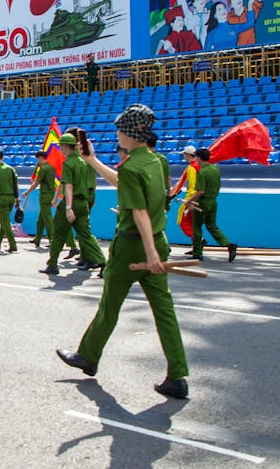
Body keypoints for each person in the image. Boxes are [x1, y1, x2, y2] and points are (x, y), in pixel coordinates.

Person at [55, 104, 189, 400]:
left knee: (110, 304)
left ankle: (88, 356)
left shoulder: (131, 166)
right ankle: (178, 375)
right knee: (164, 310)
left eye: (119, 129)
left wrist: (150, 254)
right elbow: (131, 187)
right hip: (158, 237)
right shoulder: (157, 161)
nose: (116, 134)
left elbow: (139, 210)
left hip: (132, 244)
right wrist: (93, 161)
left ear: (129, 133)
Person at [40, 132, 105, 275]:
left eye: (60, 146)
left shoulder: (68, 163)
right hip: (83, 202)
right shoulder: (83, 161)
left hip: (72, 202)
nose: (60, 150)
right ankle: (102, 262)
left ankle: (52, 264)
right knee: (86, 235)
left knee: (58, 233)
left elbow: (68, 186)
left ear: (65, 146)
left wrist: (68, 207)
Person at [184, 148, 237, 262]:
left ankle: (198, 252)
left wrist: (189, 201)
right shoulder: (215, 169)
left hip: (203, 202)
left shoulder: (202, 172)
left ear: (199, 158)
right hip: (213, 201)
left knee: (196, 227)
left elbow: (200, 191)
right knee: (212, 225)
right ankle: (228, 244)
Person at [21, 151, 56, 248]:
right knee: (41, 219)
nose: (38, 161)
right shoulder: (51, 167)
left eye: (38, 159)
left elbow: (36, 183)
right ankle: (38, 238)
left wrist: (27, 192)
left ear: (41, 158)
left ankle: (52, 239)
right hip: (50, 194)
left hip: (45, 195)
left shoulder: (43, 169)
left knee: (47, 218)